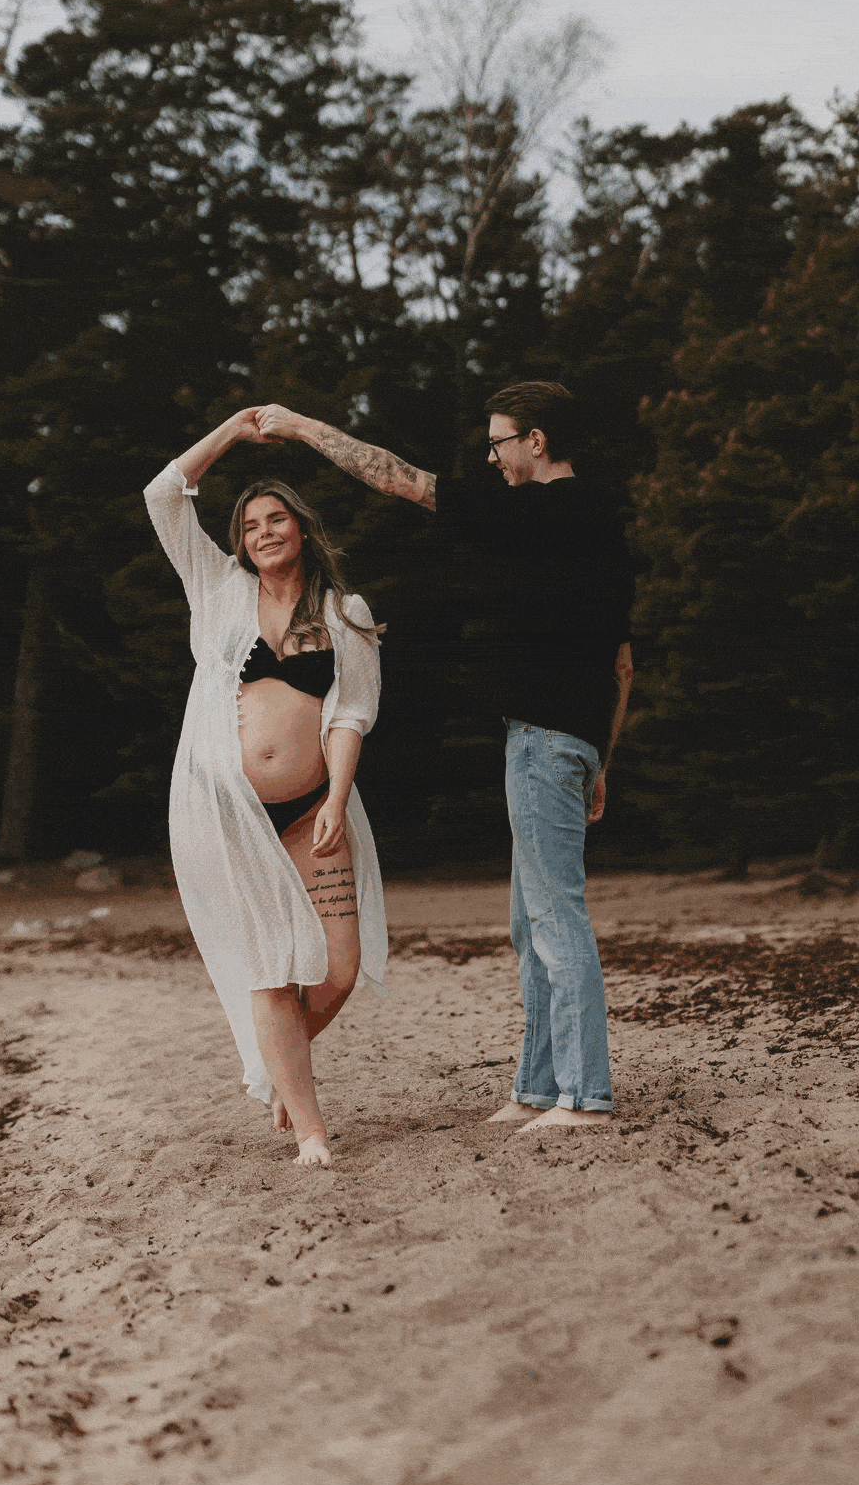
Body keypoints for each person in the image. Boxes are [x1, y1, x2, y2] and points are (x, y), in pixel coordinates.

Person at [257, 381, 635, 1133]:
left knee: (556, 916)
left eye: (498, 442)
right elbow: (623, 661)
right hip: (575, 737)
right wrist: (604, 761)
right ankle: (538, 1086)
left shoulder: (529, 510)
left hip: (541, 735)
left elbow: (395, 475)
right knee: (533, 924)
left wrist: (301, 425)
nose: (489, 457)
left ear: (537, 440)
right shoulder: (607, 520)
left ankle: (586, 1098)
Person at [143, 407, 385, 1168]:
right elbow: (161, 495)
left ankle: (276, 1067)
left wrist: (339, 798)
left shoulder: (346, 612)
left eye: (276, 520)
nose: (263, 533)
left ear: (302, 529)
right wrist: (230, 433)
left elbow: (351, 712)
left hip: (315, 806)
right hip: (232, 813)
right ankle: (310, 1130)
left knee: (338, 969)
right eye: (250, 526)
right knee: (274, 970)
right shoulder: (217, 589)